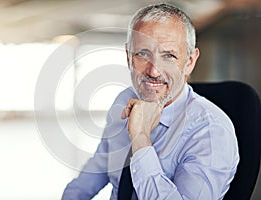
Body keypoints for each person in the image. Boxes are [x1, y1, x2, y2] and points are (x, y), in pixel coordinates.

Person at [62, 3, 239, 200]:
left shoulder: (211, 131)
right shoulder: (124, 99)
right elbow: (98, 167)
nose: (154, 71)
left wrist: (140, 138)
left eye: (169, 56)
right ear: (129, 57)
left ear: (189, 62)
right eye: (143, 54)